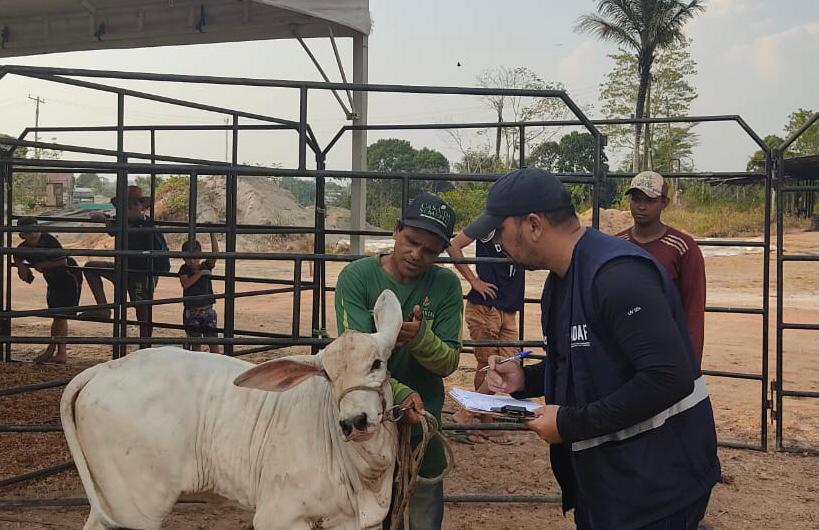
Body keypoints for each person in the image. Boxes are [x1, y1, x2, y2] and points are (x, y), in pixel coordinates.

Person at [472, 168, 720, 529]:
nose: (498, 244)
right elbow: (588, 360)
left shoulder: (616, 276)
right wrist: (525, 378)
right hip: (611, 478)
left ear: (533, 225)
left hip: (656, 483)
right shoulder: (563, 278)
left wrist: (570, 423)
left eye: (500, 233)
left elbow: (669, 377)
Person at [335, 192, 463, 530]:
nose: (416, 254)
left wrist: (420, 339)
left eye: (430, 250)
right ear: (395, 230)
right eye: (411, 241)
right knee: (363, 500)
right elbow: (354, 355)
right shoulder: (358, 277)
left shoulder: (445, 285)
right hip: (368, 411)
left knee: (424, 497)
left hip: (423, 417)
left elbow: (448, 360)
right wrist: (400, 392)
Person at [617, 171, 707, 364]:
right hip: (623, 348)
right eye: (636, 199)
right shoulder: (616, 245)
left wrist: (691, 363)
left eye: (650, 200)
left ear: (664, 203)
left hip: (666, 348)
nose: (641, 206)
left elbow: (693, 309)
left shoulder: (683, 247)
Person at [81, 185, 169, 342]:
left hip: (141, 272)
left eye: (133, 204)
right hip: (123, 268)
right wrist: (106, 218)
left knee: (142, 310)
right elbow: (111, 227)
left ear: (141, 207)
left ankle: (144, 345)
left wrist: (106, 219)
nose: (129, 208)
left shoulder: (146, 225)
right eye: (126, 205)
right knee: (91, 267)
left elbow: (121, 229)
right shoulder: (124, 222)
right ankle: (104, 308)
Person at [447, 229, 524, 390]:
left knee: (508, 363)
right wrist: (474, 280)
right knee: (488, 363)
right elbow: (453, 245)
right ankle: (480, 414)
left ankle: (472, 412)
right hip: (487, 305)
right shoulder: (490, 222)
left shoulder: (523, 223)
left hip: (508, 307)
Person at [13, 216, 83, 364]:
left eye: (36, 230)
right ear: (22, 235)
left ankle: (60, 352)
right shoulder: (24, 247)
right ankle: (52, 350)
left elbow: (63, 260)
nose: (34, 234)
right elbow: (17, 255)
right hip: (52, 281)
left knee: (61, 315)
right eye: (29, 232)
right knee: (56, 315)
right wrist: (21, 266)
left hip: (68, 278)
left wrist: (43, 266)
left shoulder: (48, 240)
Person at [179, 234, 220, 353]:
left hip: (207, 310)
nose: (192, 261)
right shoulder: (184, 269)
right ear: (184, 258)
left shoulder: (206, 265)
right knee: (195, 344)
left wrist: (212, 234)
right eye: (188, 259)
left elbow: (216, 254)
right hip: (192, 311)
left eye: (195, 258)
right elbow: (186, 284)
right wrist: (201, 273)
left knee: (213, 342)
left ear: (200, 255)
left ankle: (216, 366)